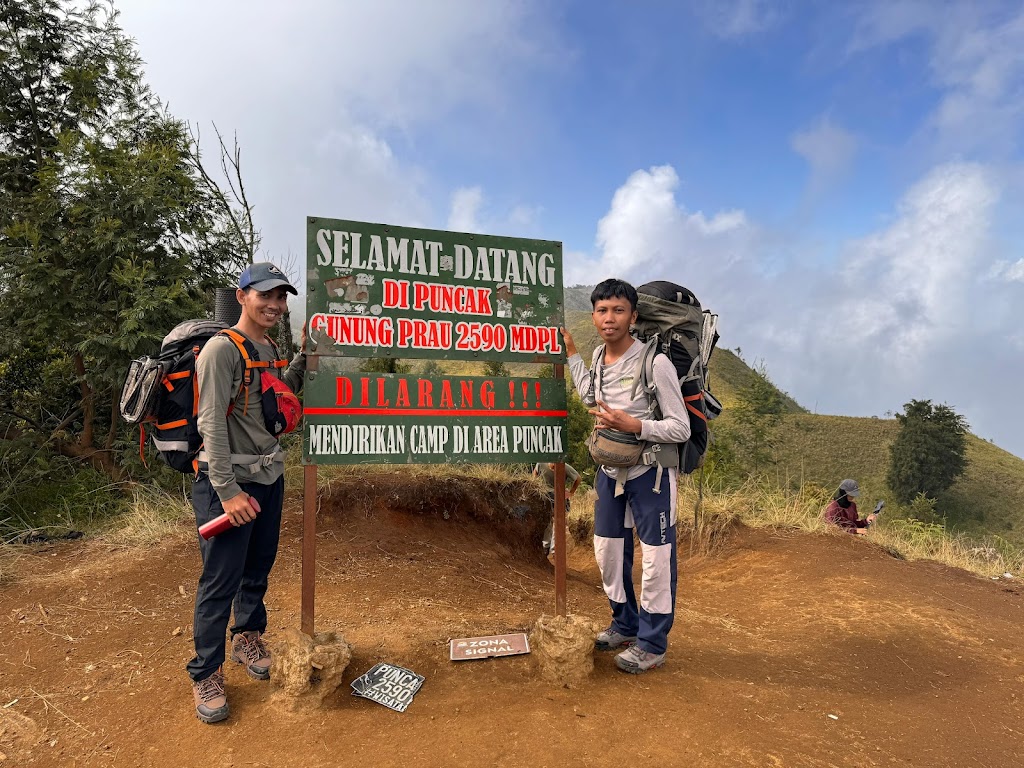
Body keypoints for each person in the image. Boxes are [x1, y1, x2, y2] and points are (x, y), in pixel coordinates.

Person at [188, 262, 306, 724]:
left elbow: (280, 396)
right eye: (266, 296)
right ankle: (206, 673)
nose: (275, 305)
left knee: (258, 565)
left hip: (268, 477)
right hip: (229, 484)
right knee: (220, 579)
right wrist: (227, 490)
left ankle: (247, 637)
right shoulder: (221, 349)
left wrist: (304, 357)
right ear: (242, 296)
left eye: (281, 298)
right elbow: (210, 421)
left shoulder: (268, 347)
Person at [561, 278, 690, 675]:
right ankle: (624, 623)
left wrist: (635, 425)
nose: (609, 318)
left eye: (618, 310)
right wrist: (572, 355)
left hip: (650, 471)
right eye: (602, 310)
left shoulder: (656, 363)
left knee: (656, 558)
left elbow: (680, 427)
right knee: (607, 551)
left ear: (633, 316)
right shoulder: (600, 358)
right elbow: (588, 395)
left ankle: (652, 644)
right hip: (608, 469)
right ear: (594, 316)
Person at [533, 461, 581, 555]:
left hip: (559, 497)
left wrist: (571, 492)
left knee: (558, 522)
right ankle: (546, 546)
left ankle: (555, 550)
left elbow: (578, 478)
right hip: (546, 497)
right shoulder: (541, 464)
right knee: (547, 521)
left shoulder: (564, 467)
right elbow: (535, 472)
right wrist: (535, 486)